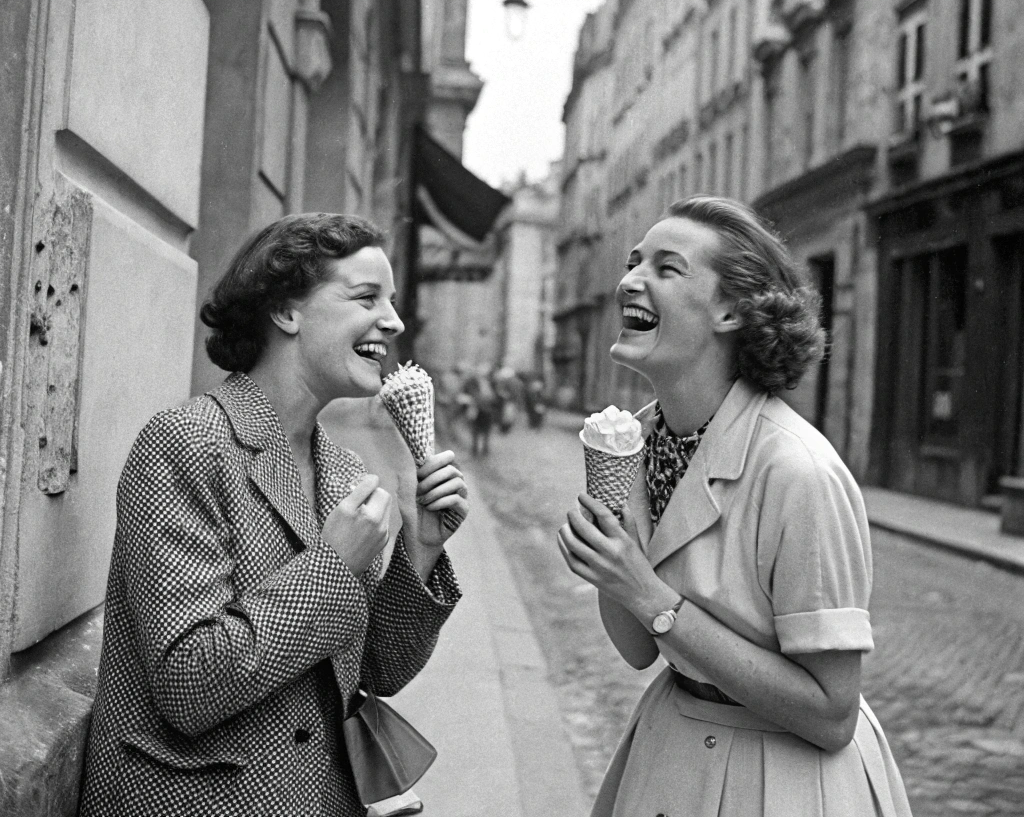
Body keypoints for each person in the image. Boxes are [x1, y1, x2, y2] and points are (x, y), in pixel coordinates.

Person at [79, 213, 468, 817]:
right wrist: (334, 567)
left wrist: (420, 549)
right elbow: (190, 683)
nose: (392, 322)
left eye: (392, 301)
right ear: (286, 312)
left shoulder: (340, 469)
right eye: (367, 297)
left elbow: (376, 671)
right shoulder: (186, 443)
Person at [557, 196, 911, 817]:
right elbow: (639, 650)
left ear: (729, 311)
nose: (628, 280)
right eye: (634, 261)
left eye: (667, 269)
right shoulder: (635, 443)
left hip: (780, 781)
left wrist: (648, 594)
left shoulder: (799, 471)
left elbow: (832, 713)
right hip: (670, 755)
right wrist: (611, 569)